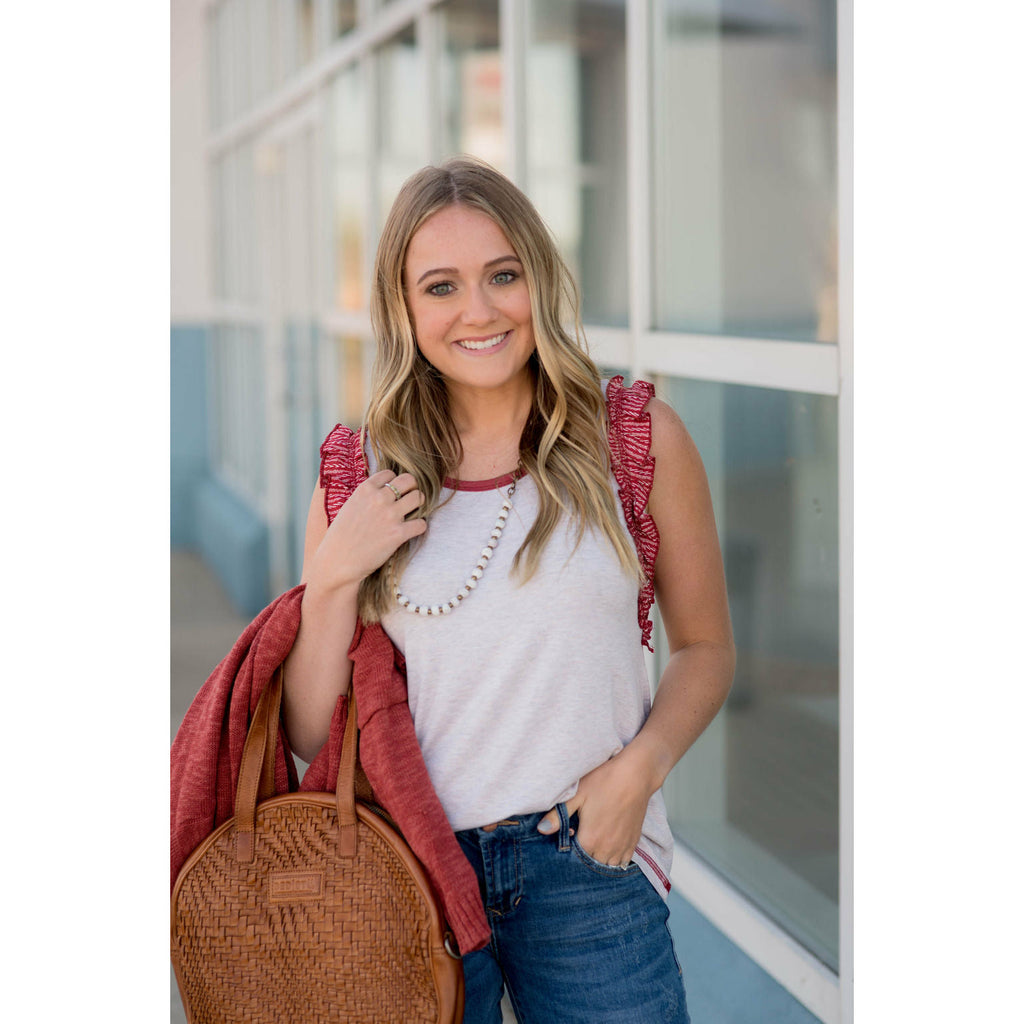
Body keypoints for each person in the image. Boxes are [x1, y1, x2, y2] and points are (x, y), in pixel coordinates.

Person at [281, 156, 735, 1023]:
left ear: (538, 276)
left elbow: (708, 648)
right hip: (412, 875)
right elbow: (309, 729)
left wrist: (641, 770)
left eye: (503, 275)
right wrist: (337, 571)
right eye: (442, 286)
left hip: (588, 863)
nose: (479, 311)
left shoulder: (635, 438)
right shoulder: (359, 476)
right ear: (403, 308)